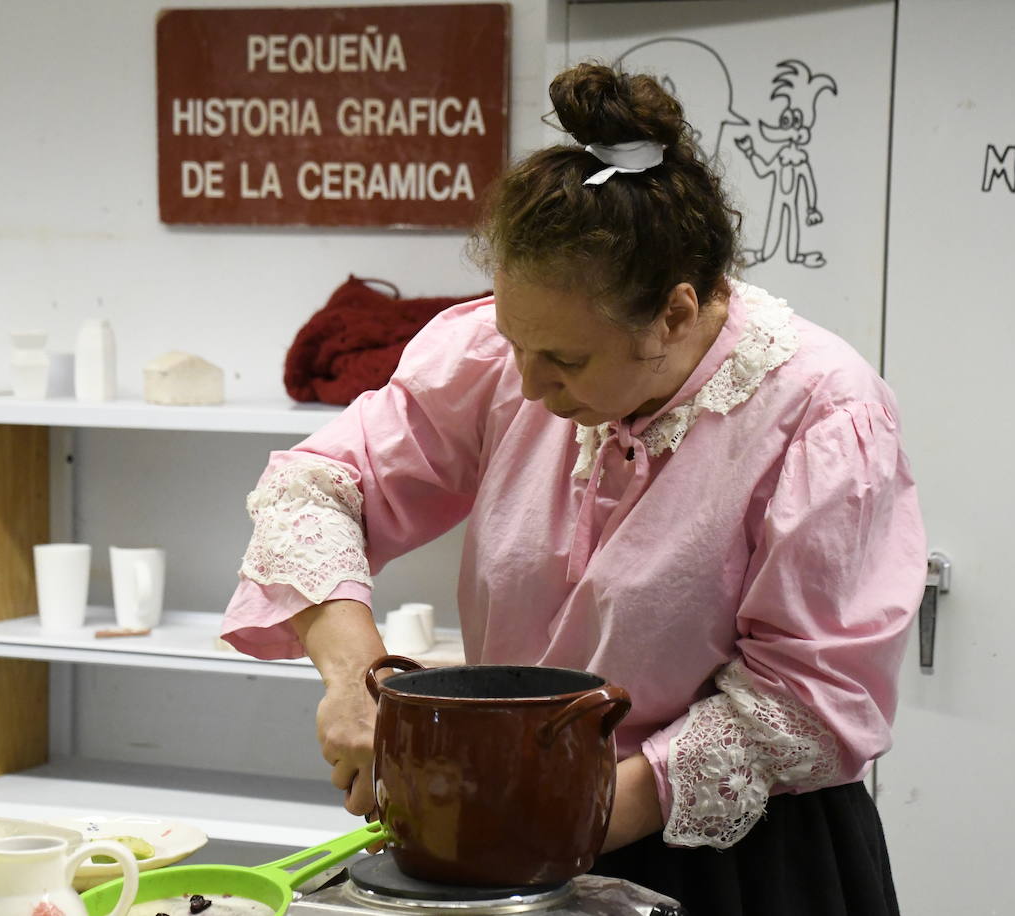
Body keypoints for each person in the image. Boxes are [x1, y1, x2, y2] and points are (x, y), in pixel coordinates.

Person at [221, 62, 925, 916]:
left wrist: (554, 819)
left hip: (735, 858)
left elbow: (806, 704)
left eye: (566, 360)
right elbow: (318, 489)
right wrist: (355, 682)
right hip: (520, 835)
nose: (530, 382)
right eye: (517, 341)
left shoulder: (817, 411)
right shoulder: (506, 356)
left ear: (674, 313)